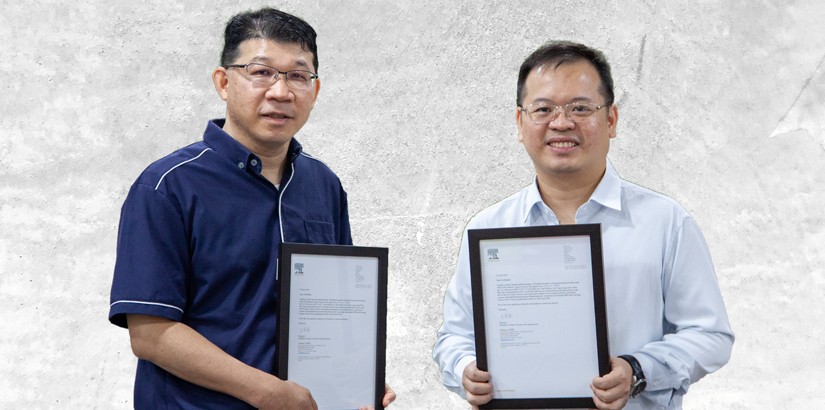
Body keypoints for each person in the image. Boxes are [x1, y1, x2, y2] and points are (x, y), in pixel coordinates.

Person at [109, 8, 395, 409]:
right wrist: (270, 393)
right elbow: (150, 332)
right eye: (261, 72)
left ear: (315, 90)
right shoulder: (168, 187)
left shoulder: (323, 185)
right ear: (224, 82)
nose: (281, 91)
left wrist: (357, 381)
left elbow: (341, 309)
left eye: (298, 75)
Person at [432, 41, 734, 409]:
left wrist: (639, 370)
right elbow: (454, 337)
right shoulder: (489, 228)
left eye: (580, 108)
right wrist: (465, 369)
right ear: (519, 122)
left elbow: (710, 334)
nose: (561, 123)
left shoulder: (665, 223)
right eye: (543, 109)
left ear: (611, 120)